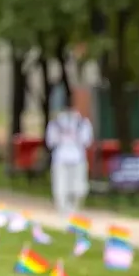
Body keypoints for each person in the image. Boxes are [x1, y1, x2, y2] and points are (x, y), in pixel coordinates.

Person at [45, 88, 93, 216]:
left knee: (77, 187)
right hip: (64, 158)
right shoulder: (56, 123)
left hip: (75, 158)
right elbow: (51, 141)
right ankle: (64, 211)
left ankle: (71, 209)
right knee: (62, 186)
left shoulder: (81, 123)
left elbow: (87, 141)